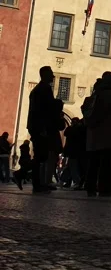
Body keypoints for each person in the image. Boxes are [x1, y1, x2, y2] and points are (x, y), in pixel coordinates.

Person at [83, 72, 111, 197]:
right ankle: (104, 188)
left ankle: (90, 187)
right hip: (108, 132)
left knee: (94, 162)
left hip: (94, 133)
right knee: (106, 162)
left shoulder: (96, 94)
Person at [27, 65, 56, 193]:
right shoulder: (43, 89)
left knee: (41, 155)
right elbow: (41, 110)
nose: (53, 76)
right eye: (51, 74)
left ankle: (37, 182)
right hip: (40, 126)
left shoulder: (39, 89)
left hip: (36, 125)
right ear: (44, 75)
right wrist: (43, 128)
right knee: (40, 155)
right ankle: (34, 182)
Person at [63, 118, 86, 189]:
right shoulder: (76, 129)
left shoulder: (73, 129)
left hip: (74, 151)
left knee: (72, 166)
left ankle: (67, 181)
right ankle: (77, 182)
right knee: (73, 166)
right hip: (76, 151)